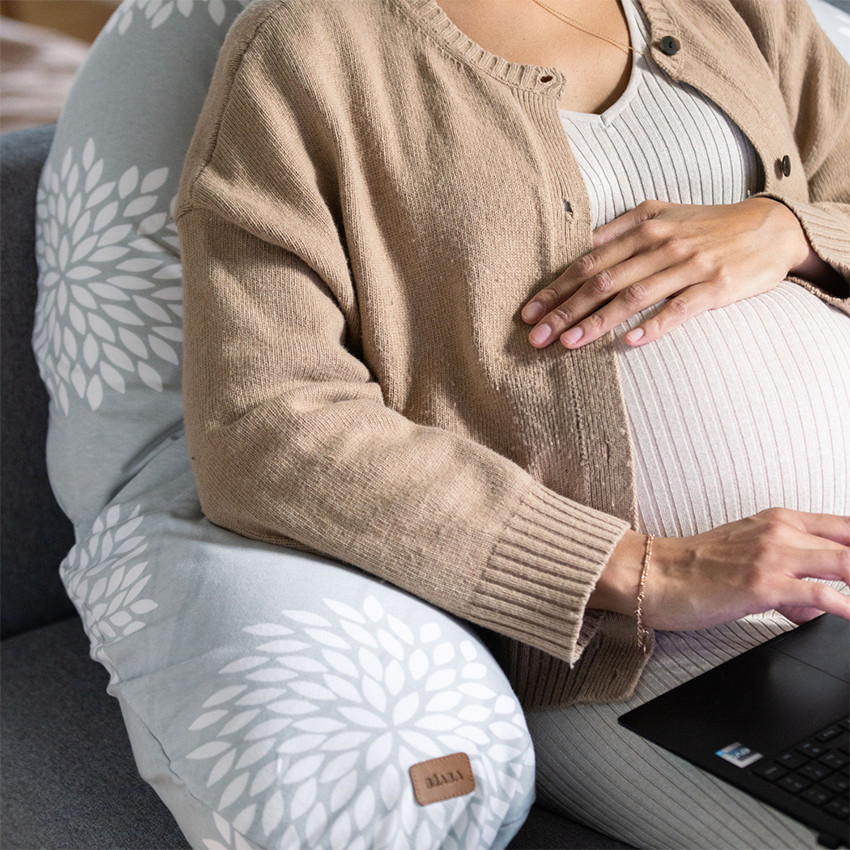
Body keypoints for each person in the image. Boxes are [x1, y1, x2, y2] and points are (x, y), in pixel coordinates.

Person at [176, 0, 850, 846]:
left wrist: (791, 228)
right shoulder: (309, 50)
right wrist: (647, 570)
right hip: (639, 660)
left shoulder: (741, 10)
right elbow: (264, 425)